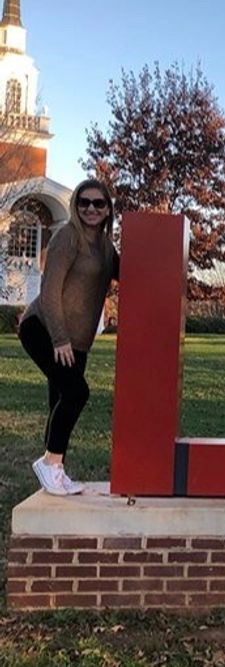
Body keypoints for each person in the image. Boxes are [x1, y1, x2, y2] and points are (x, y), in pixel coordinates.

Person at [18, 179, 119, 496]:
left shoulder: (104, 246)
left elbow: (129, 271)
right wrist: (59, 339)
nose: (90, 208)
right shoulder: (67, 237)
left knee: (61, 399)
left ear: (107, 209)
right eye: (84, 202)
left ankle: (54, 472)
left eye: (98, 203)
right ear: (75, 205)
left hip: (77, 340)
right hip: (44, 329)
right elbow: (49, 291)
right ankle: (50, 463)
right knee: (76, 393)